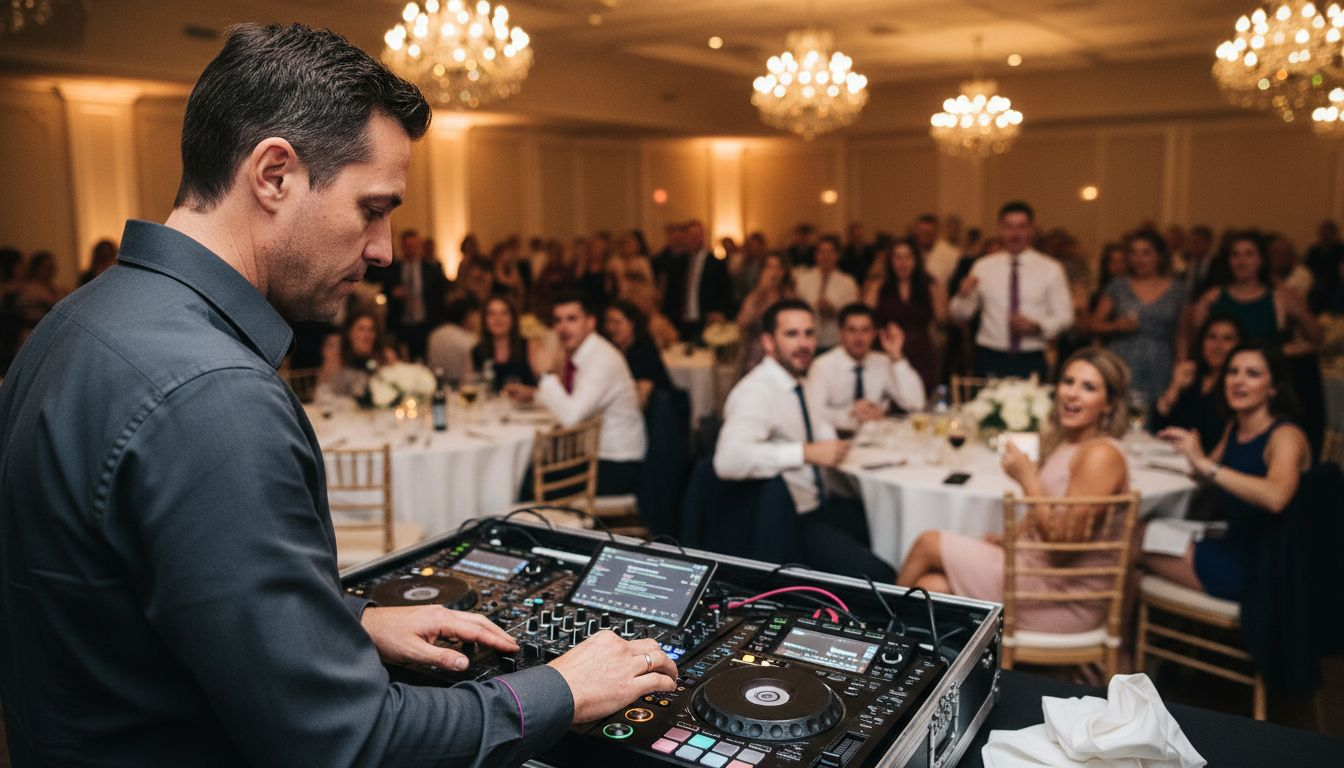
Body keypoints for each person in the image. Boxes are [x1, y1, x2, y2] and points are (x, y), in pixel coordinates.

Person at [0, 24, 676, 767]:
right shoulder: (216, 399)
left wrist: (346, 621)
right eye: (372, 208)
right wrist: (558, 690)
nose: (383, 248)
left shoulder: (76, 320)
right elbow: (349, 742)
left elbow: (145, 601)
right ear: (275, 175)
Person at [896, 348, 1132, 633]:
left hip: (1064, 594)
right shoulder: (1071, 444)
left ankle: (874, 632)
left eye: (1088, 387)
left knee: (929, 543)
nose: (1072, 394)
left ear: (1109, 404)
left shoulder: (1101, 455)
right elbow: (1051, 512)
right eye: (1068, 382)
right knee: (931, 586)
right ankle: (907, 648)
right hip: (1038, 573)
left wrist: (1028, 479)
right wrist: (1009, 541)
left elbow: (1064, 545)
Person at [714, 299, 897, 582]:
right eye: (792, 334)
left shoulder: (801, 382)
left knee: (888, 525)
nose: (803, 344)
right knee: (880, 574)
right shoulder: (757, 391)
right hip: (789, 521)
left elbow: (820, 430)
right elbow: (728, 460)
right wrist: (805, 453)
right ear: (768, 342)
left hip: (823, 504)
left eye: (809, 334)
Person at [1144, 343, 1311, 602]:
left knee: (1131, 542)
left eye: (1252, 374)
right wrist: (1193, 452)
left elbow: (1276, 497)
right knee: (1142, 532)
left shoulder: (1285, 436)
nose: (1238, 381)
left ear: (1274, 387)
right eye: (1233, 371)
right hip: (1229, 541)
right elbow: (1205, 474)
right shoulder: (1235, 426)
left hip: (1261, 568)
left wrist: (1206, 465)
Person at [511, 292, 647, 495]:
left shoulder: (600, 360)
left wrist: (544, 375)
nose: (563, 328)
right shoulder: (587, 352)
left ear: (590, 322)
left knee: (526, 480)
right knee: (530, 470)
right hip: (599, 457)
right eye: (558, 320)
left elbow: (571, 417)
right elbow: (574, 404)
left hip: (618, 465)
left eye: (572, 319)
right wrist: (535, 395)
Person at [949, 201, 1074, 380]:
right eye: (1009, 227)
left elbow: (1066, 316)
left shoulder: (1051, 269)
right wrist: (962, 295)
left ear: (1031, 229)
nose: (1015, 234)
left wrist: (1038, 326)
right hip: (989, 354)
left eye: (1021, 227)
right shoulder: (983, 267)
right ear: (1000, 229)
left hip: (1031, 355)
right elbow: (960, 315)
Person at [1089, 230, 1185, 407]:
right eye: (1134, 253)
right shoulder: (1118, 286)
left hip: (1160, 361)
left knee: (1158, 410)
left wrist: (1181, 368)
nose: (1139, 259)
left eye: (1146, 253)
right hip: (1122, 357)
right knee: (1119, 408)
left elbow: (1182, 335)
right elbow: (1093, 324)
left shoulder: (1177, 290)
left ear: (1159, 256)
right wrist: (1116, 326)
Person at [808, 303, 926, 432]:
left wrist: (897, 356)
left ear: (874, 334)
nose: (859, 338)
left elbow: (916, 403)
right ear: (840, 333)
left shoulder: (882, 361)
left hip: (877, 435)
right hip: (836, 436)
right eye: (852, 330)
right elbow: (813, 413)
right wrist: (850, 414)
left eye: (865, 330)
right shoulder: (822, 366)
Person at [864, 238, 946, 395]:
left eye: (908, 257)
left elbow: (942, 318)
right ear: (890, 261)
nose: (903, 263)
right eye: (898, 257)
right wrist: (874, 277)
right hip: (888, 352)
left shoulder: (929, 285)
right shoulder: (879, 286)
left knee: (922, 397)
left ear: (916, 260)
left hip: (921, 352)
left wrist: (940, 292)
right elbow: (866, 316)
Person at [1152, 315, 1244, 454]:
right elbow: (1157, 425)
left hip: (1206, 461)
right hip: (1170, 455)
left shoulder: (1238, 386)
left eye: (1227, 339)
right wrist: (1174, 387)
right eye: (1212, 337)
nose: (1217, 345)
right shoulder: (1191, 375)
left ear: (1239, 345)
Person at [372, 228, 449, 362]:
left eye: (413, 246)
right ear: (402, 247)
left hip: (426, 325)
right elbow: (383, 292)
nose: (411, 250)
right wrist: (393, 293)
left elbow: (440, 299)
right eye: (407, 246)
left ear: (419, 246)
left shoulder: (432, 270)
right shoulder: (393, 269)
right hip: (401, 325)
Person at [663, 219, 733, 340]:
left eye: (697, 236)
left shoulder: (715, 263)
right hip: (681, 321)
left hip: (706, 320)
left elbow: (725, 291)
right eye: (690, 236)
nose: (693, 240)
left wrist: (721, 312)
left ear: (703, 237)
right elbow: (671, 293)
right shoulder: (678, 263)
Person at [603, 300, 674, 409]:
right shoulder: (610, 349)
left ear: (632, 324)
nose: (611, 328)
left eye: (616, 323)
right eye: (608, 322)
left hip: (651, 410)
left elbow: (643, 391)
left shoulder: (644, 350)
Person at [794, 234, 860, 351]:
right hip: (809, 340)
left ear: (837, 255)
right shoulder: (803, 280)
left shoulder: (848, 283)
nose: (826, 256)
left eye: (830, 252)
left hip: (836, 341)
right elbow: (797, 310)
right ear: (816, 255)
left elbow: (852, 315)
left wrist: (833, 310)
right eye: (822, 252)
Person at [736, 252, 796, 373]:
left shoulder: (790, 298)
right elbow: (741, 325)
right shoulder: (754, 297)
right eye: (769, 267)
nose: (774, 272)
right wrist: (760, 293)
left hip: (782, 358)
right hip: (754, 358)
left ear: (784, 272)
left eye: (778, 267)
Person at [470, 295, 534, 393]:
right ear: (484, 320)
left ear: (513, 318)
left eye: (504, 313)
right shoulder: (477, 351)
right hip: (488, 403)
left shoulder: (529, 346)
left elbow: (545, 388)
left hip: (524, 403)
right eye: (491, 314)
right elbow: (467, 386)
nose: (498, 318)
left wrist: (528, 392)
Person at [326, 311, 399, 398]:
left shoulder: (384, 356)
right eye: (361, 329)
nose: (367, 335)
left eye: (371, 330)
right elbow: (324, 391)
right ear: (349, 333)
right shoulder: (337, 357)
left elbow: (396, 387)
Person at [426, 296, 482, 383]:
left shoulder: (434, 334)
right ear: (467, 316)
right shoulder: (470, 340)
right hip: (462, 385)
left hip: (436, 383)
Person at [912, 213, 961, 291]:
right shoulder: (910, 250)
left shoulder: (952, 254)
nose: (923, 236)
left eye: (928, 233)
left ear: (936, 233)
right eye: (920, 232)